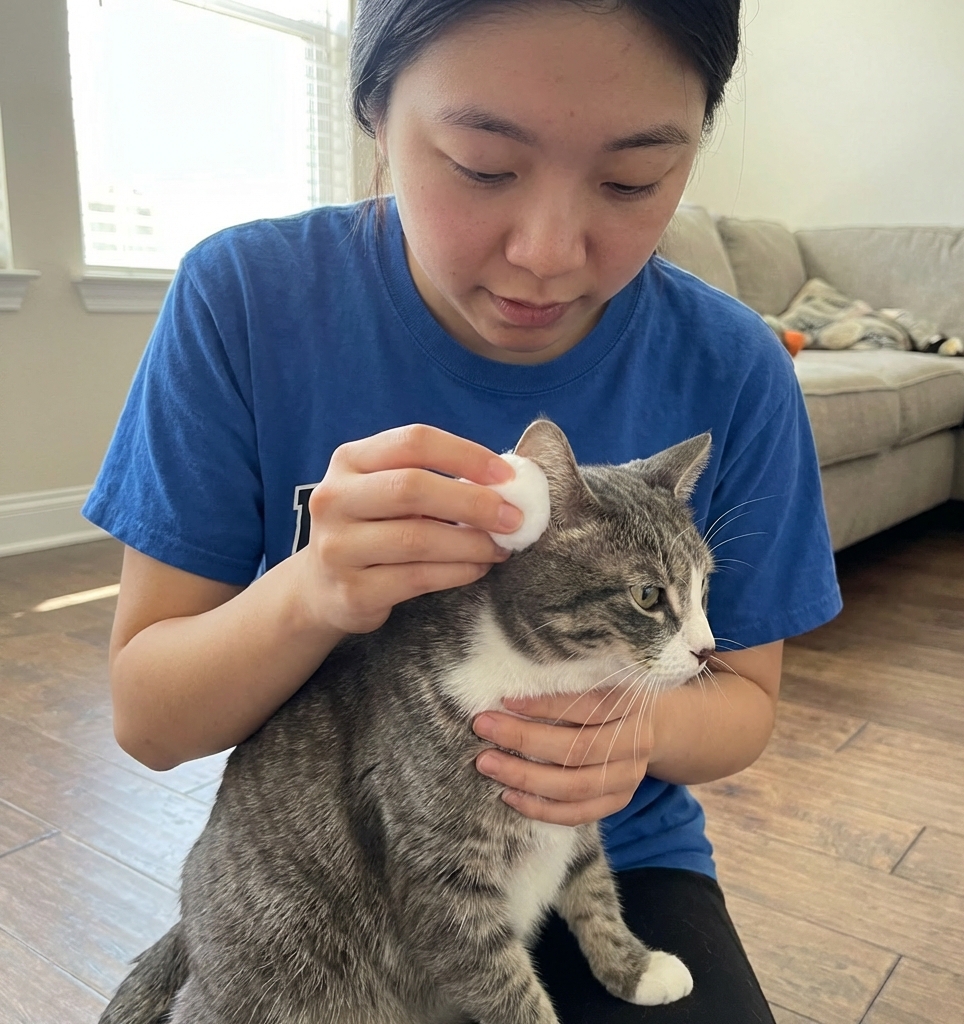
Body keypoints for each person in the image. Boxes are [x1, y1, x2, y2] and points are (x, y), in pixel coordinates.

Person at [84, 1, 841, 1020]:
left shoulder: (733, 364)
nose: (545, 251)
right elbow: (148, 717)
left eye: (631, 180)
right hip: (338, 852)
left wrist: (628, 737)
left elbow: (741, 702)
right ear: (375, 113)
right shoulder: (244, 301)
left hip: (609, 846)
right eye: (482, 164)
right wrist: (314, 590)